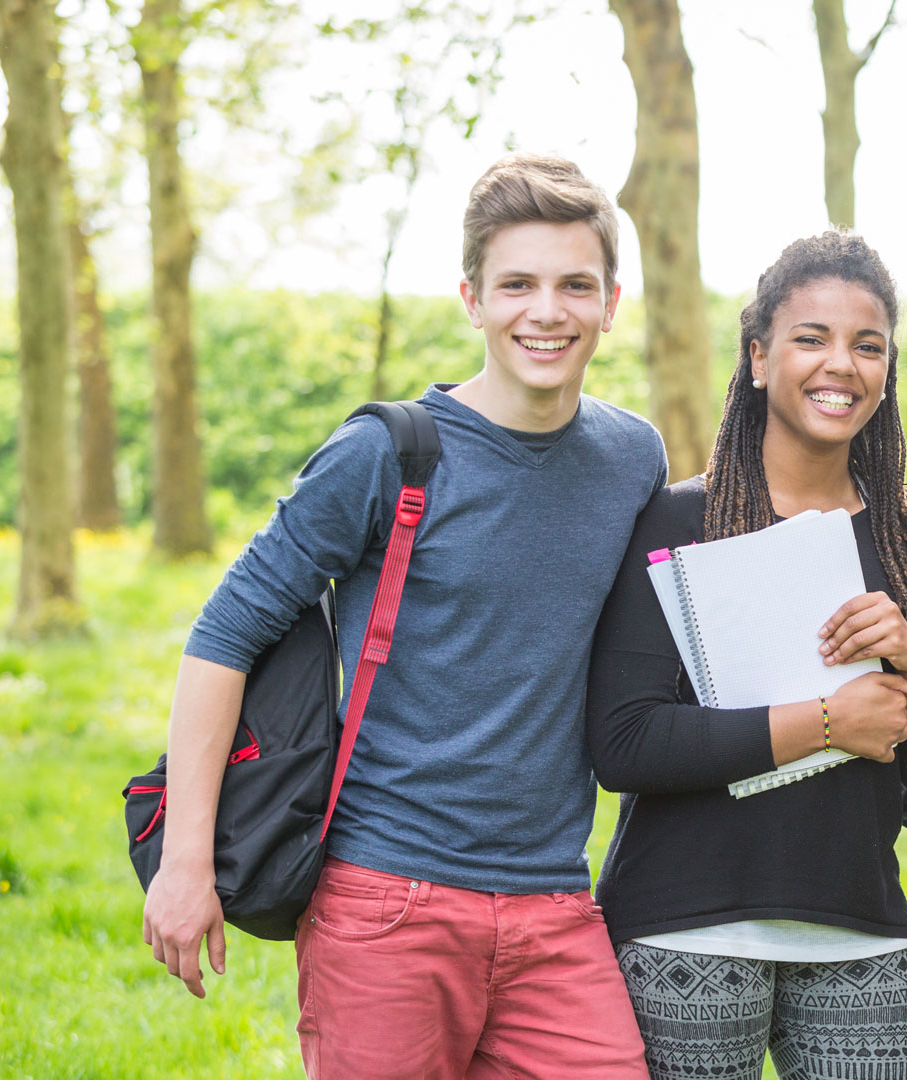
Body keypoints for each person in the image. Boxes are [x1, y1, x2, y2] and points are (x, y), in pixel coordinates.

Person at [139, 154, 661, 1076]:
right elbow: (224, 635)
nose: (548, 311)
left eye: (575, 284)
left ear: (612, 302)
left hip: (555, 905)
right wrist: (186, 864)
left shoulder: (633, 458)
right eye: (518, 284)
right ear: (472, 298)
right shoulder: (388, 453)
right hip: (387, 900)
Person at [585, 231, 907, 1080]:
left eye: (869, 346)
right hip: (685, 927)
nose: (843, 365)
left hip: (857, 925)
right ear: (758, 357)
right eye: (811, 338)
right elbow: (625, 743)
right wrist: (829, 722)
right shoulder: (678, 522)